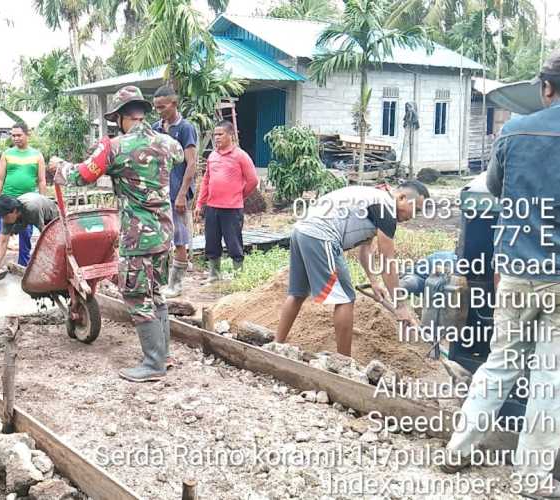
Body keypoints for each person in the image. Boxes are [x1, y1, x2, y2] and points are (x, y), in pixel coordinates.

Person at [440, 51, 560, 499]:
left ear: (545, 88)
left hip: (513, 270)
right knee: (551, 375)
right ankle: (531, 478)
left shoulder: (512, 130)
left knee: (500, 363)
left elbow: (492, 189)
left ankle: (458, 449)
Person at [49, 86, 184, 382]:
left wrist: (60, 166)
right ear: (143, 112)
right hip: (164, 234)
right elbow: (179, 158)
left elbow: (80, 176)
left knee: (137, 296)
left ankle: (153, 364)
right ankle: (164, 355)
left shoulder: (115, 146)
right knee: (156, 293)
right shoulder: (169, 143)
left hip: (137, 237)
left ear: (123, 116)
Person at [274, 181, 429, 357]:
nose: (413, 216)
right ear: (402, 198)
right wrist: (400, 306)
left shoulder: (376, 200)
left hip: (302, 230)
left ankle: (276, 346)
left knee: (298, 293)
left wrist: (373, 281)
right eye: (415, 210)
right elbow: (388, 263)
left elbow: (365, 249)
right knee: (346, 299)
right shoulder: (386, 209)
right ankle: (344, 362)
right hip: (321, 235)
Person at [193, 121, 258, 283]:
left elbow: (253, 181)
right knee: (211, 242)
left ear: (231, 135)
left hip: (232, 209)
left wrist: (238, 196)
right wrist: (199, 204)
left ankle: (238, 276)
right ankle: (214, 275)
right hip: (212, 207)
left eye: (220, 134)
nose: (216, 138)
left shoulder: (240, 156)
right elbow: (206, 181)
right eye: (215, 134)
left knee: (233, 242)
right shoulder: (213, 156)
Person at [153, 86, 198, 298]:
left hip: (176, 191)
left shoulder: (185, 128)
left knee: (179, 237)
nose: (159, 111)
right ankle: (162, 281)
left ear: (174, 104)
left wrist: (182, 194)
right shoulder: (155, 128)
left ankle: (176, 284)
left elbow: (191, 164)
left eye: (162, 107)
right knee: (160, 237)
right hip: (159, 192)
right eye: (156, 107)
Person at [0, 124, 46, 266]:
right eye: (13, 135)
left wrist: (42, 199)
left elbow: (41, 180)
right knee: (1, 236)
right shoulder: (7, 154)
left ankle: (23, 264)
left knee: (26, 235)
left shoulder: (37, 155)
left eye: (19, 135)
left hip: (27, 202)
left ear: (27, 135)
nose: (16, 138)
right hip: (8, 201)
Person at [0, 193, 58, 276]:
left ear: (15, 211)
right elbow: (3, 242)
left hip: (51, 216)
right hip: (24, 213)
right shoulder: (8, 215)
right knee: (1, 237)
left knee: (53, 241)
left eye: (5, 217)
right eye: (2, 217)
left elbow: (45, 235)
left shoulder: (32, 209)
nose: (4, 220)